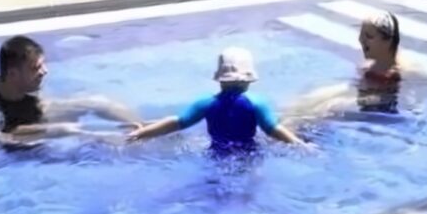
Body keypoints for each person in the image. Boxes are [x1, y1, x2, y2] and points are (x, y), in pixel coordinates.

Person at [0, 35, 138, 144]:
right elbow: (0, 138)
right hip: (19, 150)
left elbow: (45, 106)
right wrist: (53, 130)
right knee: (70, 131)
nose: (44, 71)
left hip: (34, 119)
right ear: (13, 74)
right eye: (36, 68)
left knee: (97, 102)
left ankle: (140, 129)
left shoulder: (25, 88)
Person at [125, 47, 307, 152]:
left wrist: (141, 133)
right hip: (248, 154)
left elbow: (177, 122)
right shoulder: (257, 102)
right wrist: (299, 144)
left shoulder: (206, 103)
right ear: (249, 79)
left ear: (220, 78)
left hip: (216, 152)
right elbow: (273, 130)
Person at [288, 10, 406, 121]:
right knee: (309, 98)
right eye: (361, 35)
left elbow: (398, 101)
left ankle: (295, 126)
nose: (361, 40)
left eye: (369, 36)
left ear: (388, 41)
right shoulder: (369, 66)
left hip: (377, 107)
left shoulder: (401, 71)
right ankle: (290, 118)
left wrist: (347, 102)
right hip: (362, 94)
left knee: (327, 107)